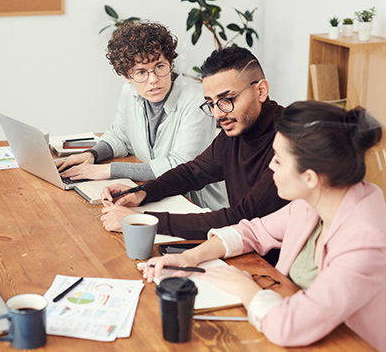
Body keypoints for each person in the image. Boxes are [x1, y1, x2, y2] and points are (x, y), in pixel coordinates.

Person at [140, 101, 386, 350]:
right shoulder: (318, 198)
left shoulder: (365, 241)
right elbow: (254, 231)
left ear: (310, 177)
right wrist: (192, 257)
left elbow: (289, 326)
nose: (270, 166)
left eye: (278, 160)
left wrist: (242, 285)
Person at [101, 46, 289, 241]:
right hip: (242, 245)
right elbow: (193, 172)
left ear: (261, 90)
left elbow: (242, 217)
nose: (218, 114)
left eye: (227, 99)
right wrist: (143, 192)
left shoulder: (289, 142)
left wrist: (143, 221)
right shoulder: (237, 130)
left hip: (272, 263)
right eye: (211, 103)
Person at [56, 21, 227, 210]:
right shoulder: (130, 92)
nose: (153, 80)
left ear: (170, 63)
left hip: (194, 205)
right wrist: (92, 154)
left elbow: (179, 166)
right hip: (155, 194)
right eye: (141, 72)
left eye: (160, 66)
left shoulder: (195, 100)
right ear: (127, 77)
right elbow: (120, 137)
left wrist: (106, 171)